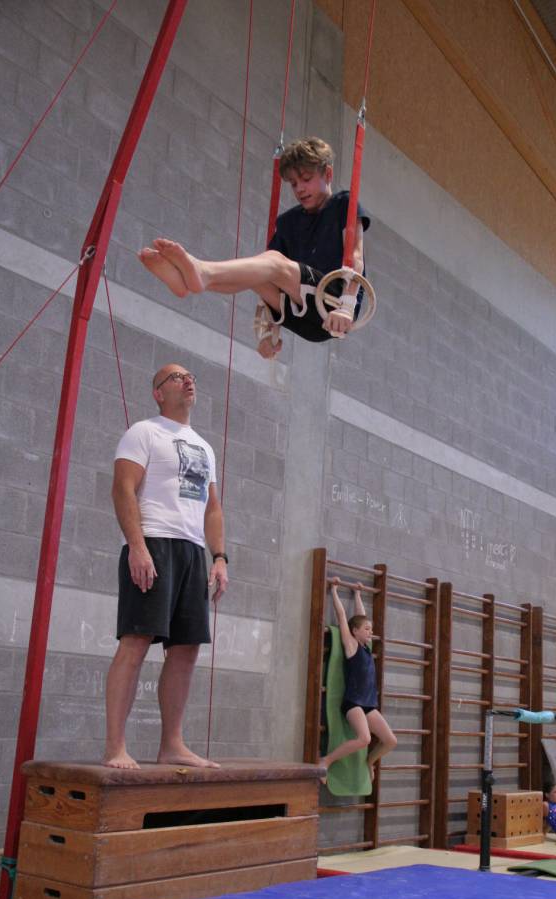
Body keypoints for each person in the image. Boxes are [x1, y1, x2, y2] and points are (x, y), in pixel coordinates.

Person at [138, 136, 370, 360]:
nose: (299, 188)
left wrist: (347, 306)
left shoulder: (343, 204)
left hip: (332, 305)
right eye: (293, 184)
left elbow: (356, 256)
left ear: (327, 174)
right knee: (257, 274)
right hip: (298, 314)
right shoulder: (288, 222)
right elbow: (266, 277)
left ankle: (203, 273)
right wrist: (267, 332)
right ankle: (188, 282)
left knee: (273, 261)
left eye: (306, 179)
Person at [102, 363, 229, 770]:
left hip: (193, 551)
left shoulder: (204, 447)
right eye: (176, 377)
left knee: (186, 649)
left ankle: (172, 744)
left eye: (191, 376)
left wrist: (219, 557)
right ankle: (115, 747)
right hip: (154, 542)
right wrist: (137, 546)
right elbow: (122, 489)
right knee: (136, 641)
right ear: (158, 392)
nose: (188, 380)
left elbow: (212, 508)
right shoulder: (144, 432)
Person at [319, 578, 397, 781]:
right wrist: (334, 590)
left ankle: (369, 762)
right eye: (367, 629)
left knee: (390, 741)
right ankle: (326, 761)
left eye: (371, 629)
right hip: (353, 703)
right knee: (364, 739)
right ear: (355, 631)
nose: (371, 632)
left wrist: (357, 593)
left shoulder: (365, 648)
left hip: (368, 704)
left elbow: (361, 616)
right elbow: (342, 616)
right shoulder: (351, 646)